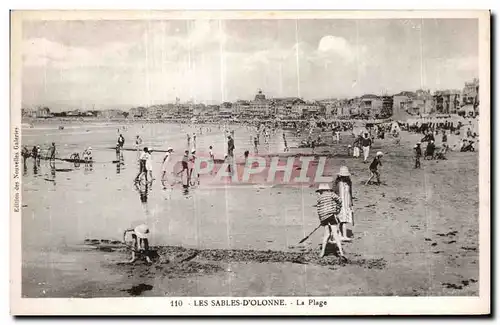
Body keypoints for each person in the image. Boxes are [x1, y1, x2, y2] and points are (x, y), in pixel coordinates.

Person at [315, 183, 345, 259]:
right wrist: (337, 209)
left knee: (326, 234)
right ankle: (341, 252)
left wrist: (321, 220)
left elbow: (318, 209)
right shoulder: (332, 194)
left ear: (321, 190)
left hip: (324, 217)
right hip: (331, 216)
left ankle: (322, 253)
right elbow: (340, 201)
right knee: (335, 234)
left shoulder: (320, 197)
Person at [333, 167, 354, 242]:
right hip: (339, 204)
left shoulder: (349, 183)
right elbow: (334, 194)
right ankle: (341, 235)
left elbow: (350, 193)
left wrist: (351, 204)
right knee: (340, 220)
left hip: (346, 203)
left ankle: (343, 235)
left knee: (344, 220)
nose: (345, 177)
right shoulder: (337, 183)